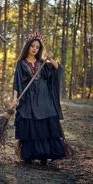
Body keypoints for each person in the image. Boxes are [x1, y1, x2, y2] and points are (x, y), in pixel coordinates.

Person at [12, 32, 66, 165]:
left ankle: (45, 156)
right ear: (27, 47)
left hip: (44, 99)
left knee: (45, 125)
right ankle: (30, 155)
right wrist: (15, 99)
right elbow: (17, 83)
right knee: (31, 125)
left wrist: (49, 57)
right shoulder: (21, 64)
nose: (34, 48)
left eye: (37, 46)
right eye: (32, 46)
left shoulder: (42, 63)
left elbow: (58, 68)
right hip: (29, 99)